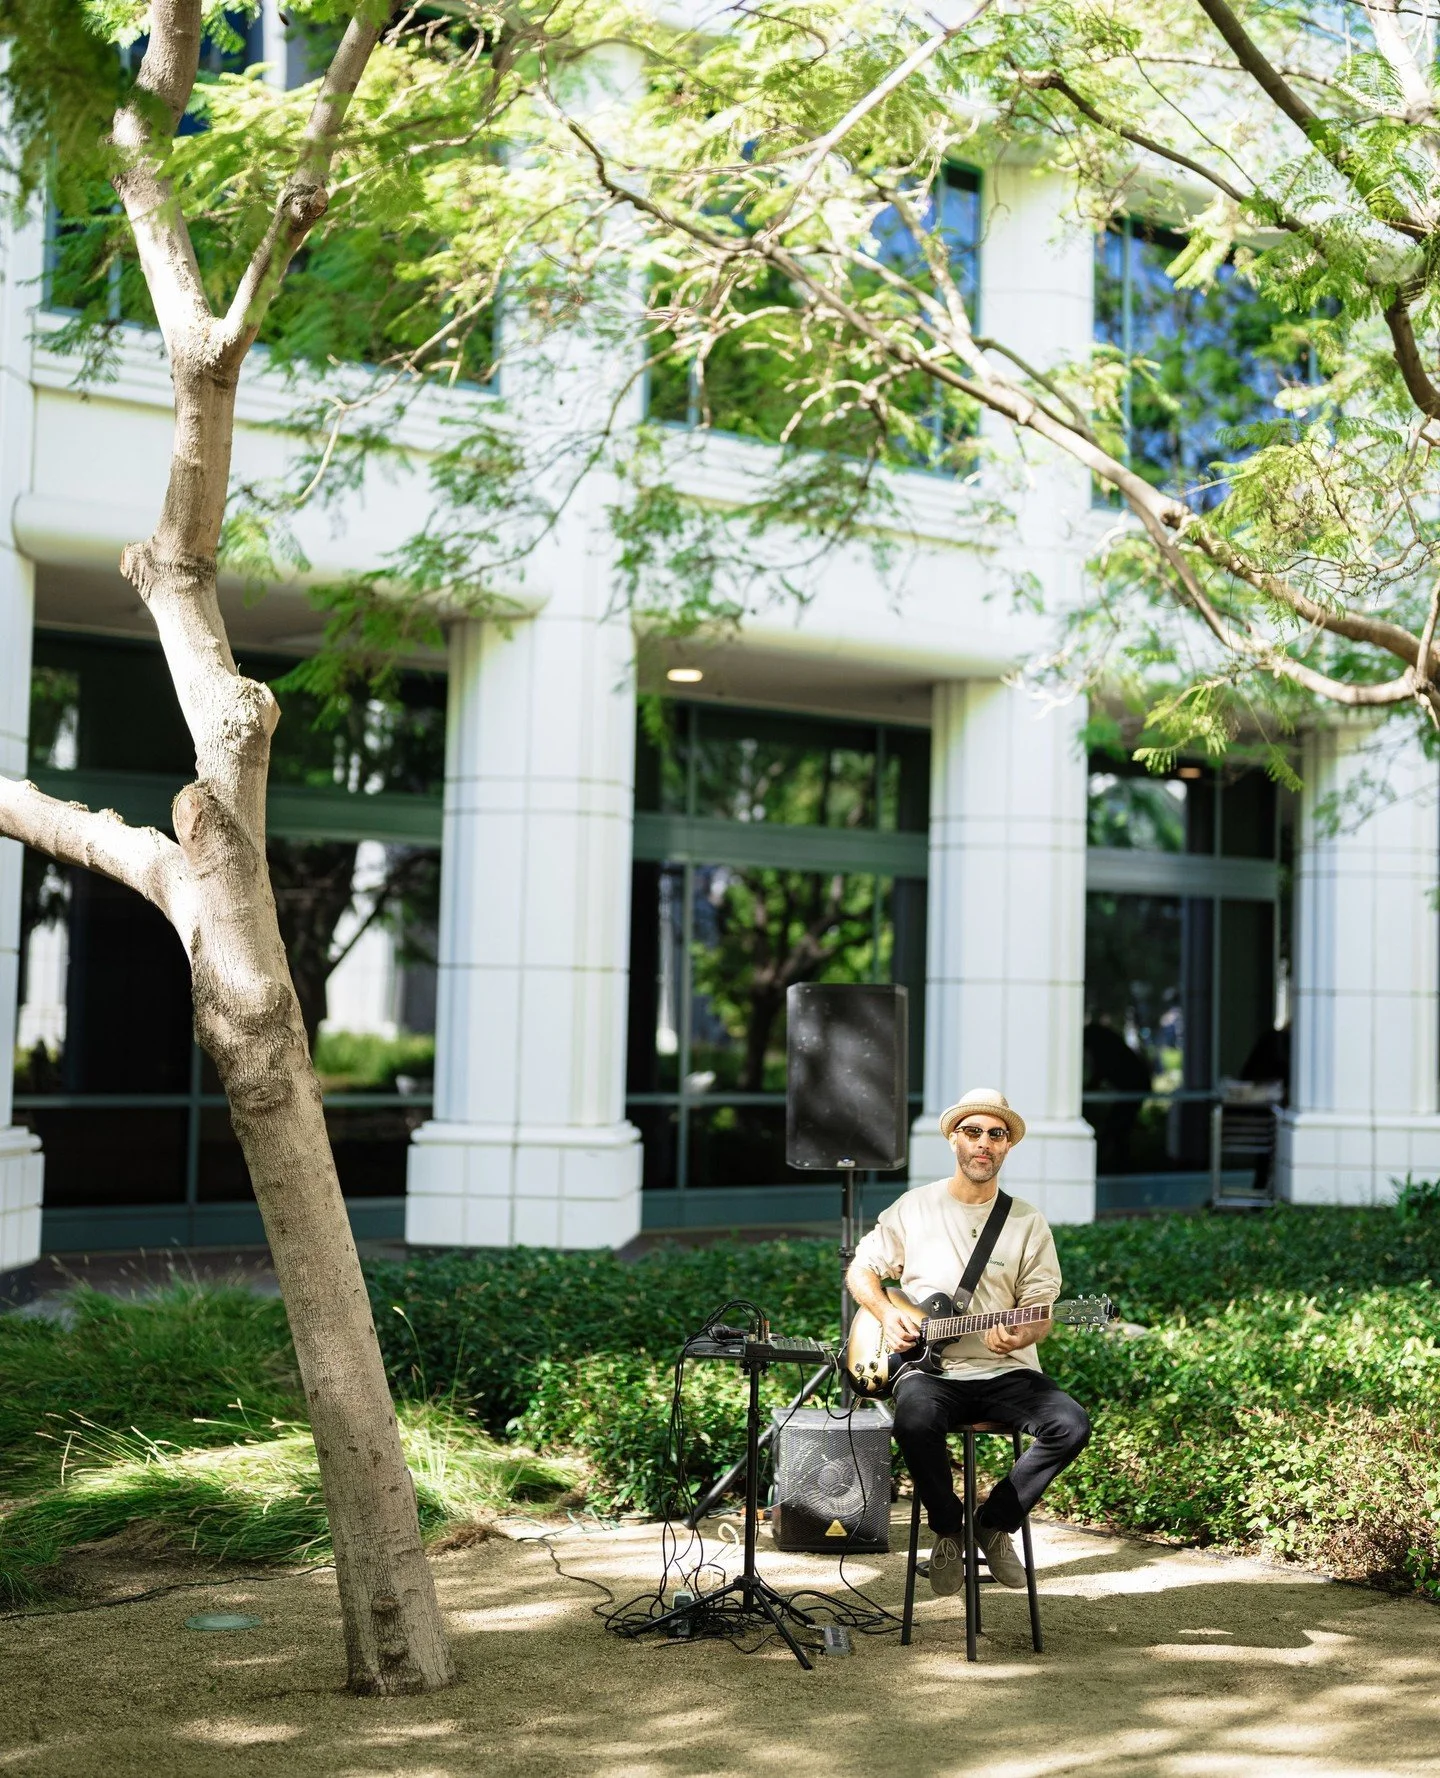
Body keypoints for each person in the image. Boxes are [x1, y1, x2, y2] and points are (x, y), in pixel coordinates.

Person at [845, 1088, 1091, 1594]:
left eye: (996, 1135)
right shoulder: (914, 1208)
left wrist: (1025, 1330)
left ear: (1007, 1147)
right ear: (954, 1138)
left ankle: (995, 1522)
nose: (984, 1143)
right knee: (914, 1421)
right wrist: (888, 1314)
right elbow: (862, 1271)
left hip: (1007, 1372)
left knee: (1070, 1424)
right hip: (933, 1373)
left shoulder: (1026, 1221)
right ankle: (947, 1529)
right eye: (973, 1132)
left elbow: (1041, 1309)